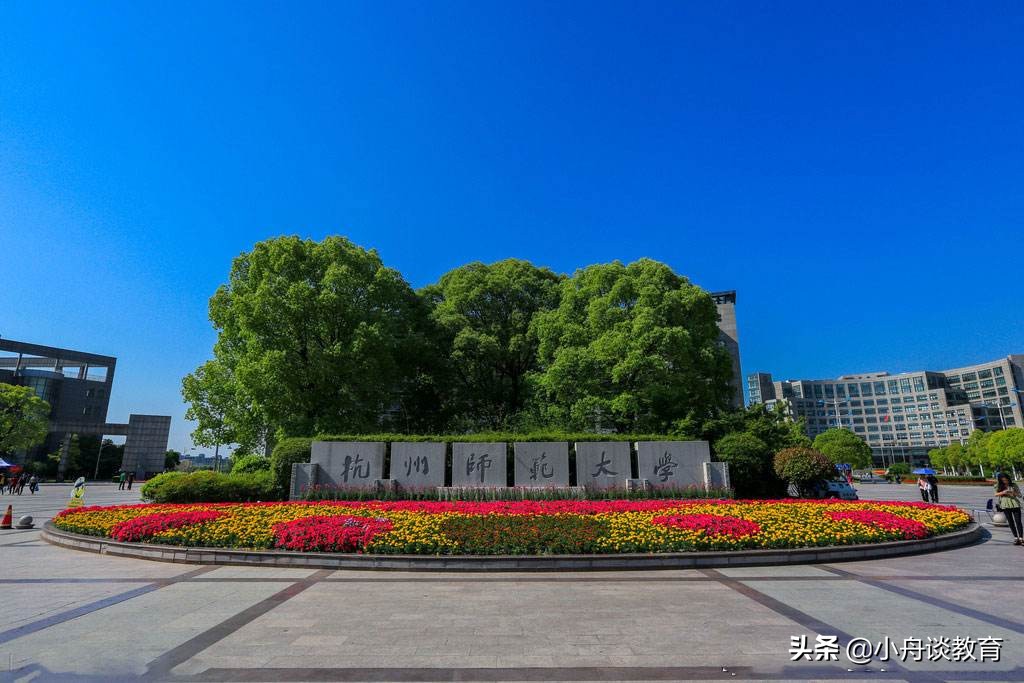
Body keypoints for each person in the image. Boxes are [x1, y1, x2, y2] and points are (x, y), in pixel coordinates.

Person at [994, 473, 1023, 545]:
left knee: (1018, 522)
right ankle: (1016, 538)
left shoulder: (1013, 485)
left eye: (1006, 480)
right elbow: (995, 494)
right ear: (1000, 480)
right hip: (1005, 505)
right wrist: (1003, 492)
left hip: (1015, 504)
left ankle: (1021, 538)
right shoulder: (998, 486)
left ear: (1008, 479)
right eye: (1003, 480)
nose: (1005, 481)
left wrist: (1013, 493)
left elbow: (1019, 495)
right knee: (1010, 522)